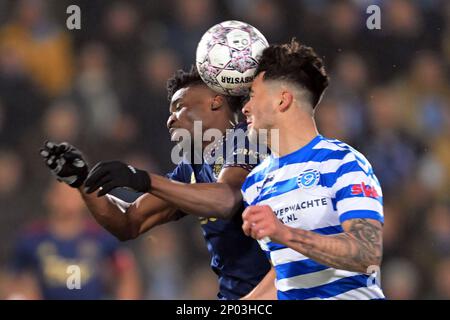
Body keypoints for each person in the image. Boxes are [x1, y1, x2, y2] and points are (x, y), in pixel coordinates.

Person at [40, 67, 273, 300]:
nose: (170, 119)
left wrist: (144, 179)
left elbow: (225, 200)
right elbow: (128, 221)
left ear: (215, 102)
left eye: (179, 107)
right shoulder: (191, 167)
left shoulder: (249, 138)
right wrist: (82, 182)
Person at [240, 39, 385, 300]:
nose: (245, 107)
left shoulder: (343, 163)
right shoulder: (254, 184)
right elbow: (287, 274)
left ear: (282, 100)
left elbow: (367, 253)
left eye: (252, 95)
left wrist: (283, 232)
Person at [7, 181, 141, 300]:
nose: (67, 199)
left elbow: (126, 270)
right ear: (50, 197)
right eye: (62, 193)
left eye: (73, 193)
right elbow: (12, 278)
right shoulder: (33, 237)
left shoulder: (100, 236)